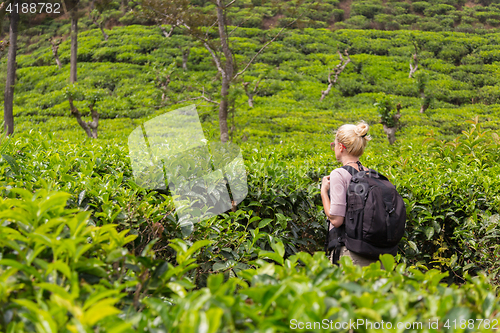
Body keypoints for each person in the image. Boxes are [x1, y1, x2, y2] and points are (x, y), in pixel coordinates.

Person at [320, 121, 384, 268]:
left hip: (350, 254)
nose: (333, 148)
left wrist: (324, 191)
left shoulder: (339, 174)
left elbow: (336, 220)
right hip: (377, 253)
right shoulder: (371, 173)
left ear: (341, 147)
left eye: (334, 145)